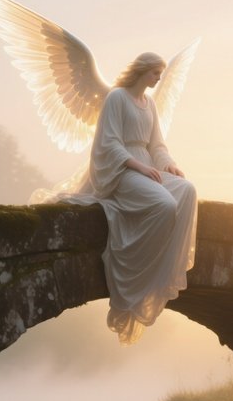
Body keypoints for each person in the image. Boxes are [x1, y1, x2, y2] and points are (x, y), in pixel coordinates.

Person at [65, 52, 198, 344]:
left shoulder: (148, 103)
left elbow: (157, 144)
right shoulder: (116, 98)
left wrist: (168, 164)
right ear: (142, 71)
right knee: (164, 205)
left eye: (160, 75)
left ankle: (161, 266)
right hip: (122, 171)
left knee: (187, 191)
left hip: (147, 167)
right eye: (155, 74)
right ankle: (134, 266)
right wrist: (137, 165)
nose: (158, 80)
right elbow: (108, 142)